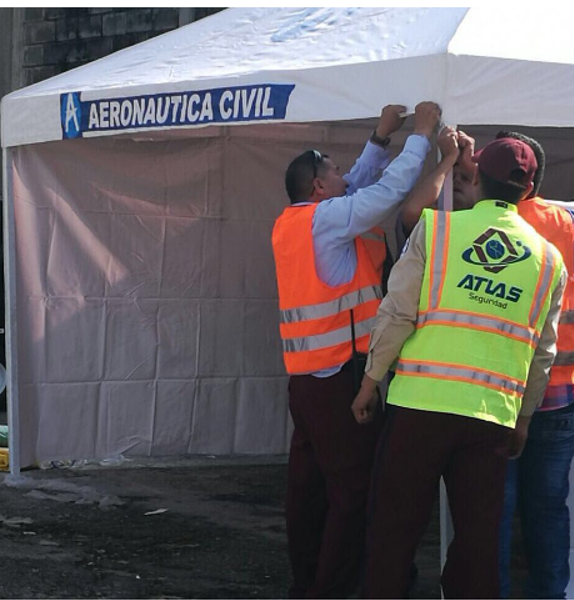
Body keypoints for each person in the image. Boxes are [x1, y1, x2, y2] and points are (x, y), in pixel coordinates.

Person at [352, 137, 567, 598]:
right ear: (528, 190)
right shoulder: (551, 261)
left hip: (419, 408)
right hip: (491, 416)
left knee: (393, 531)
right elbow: (542, 353)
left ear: (477, 178)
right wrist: (524, 418)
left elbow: (397, 313)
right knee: (478, 546)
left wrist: (370, 381)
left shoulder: (438, 232)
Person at [271, 101, 441, 598]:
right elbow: (384, 194)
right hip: (341, 380)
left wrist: (380, 137)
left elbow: (358, 186)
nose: (346, 175)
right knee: (353, 493)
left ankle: (308, 585)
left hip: (306, 379)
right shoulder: (328, 221)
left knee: (309, 492)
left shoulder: (294, 221)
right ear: (319, 188)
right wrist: (422, 137)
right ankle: (335, 588)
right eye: (335, 171)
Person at [492, 132, 574, 600]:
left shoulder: (487, 226)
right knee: (548, 507)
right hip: (560, 390)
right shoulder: (564, 221)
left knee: (496, 510)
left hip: (501, 393)